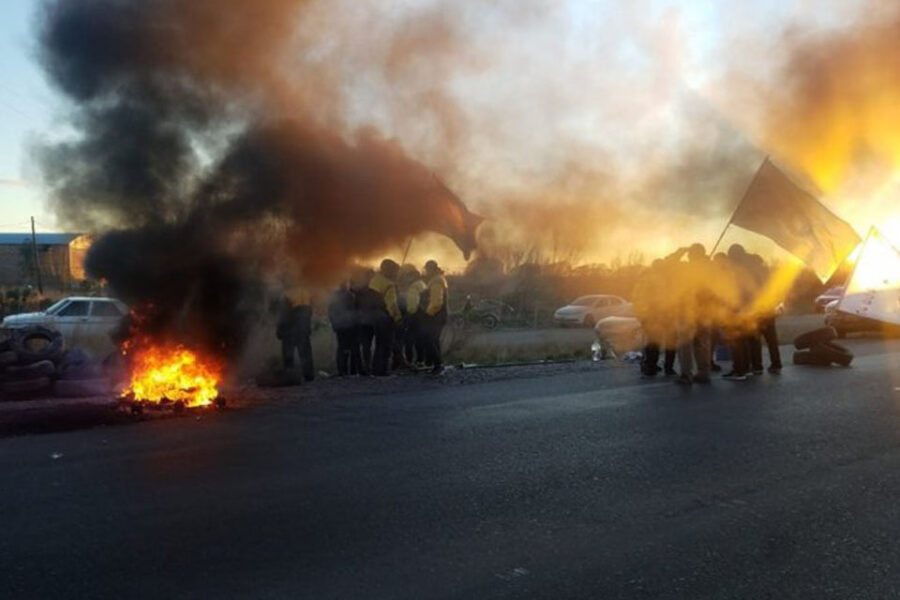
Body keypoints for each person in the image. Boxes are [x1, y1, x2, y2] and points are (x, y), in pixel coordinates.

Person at [674, 244, 713, 385]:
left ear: (691, 255)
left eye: (690, 254)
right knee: (702, 344)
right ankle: (704, 373)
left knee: (685, 344)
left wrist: (679, 253)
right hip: (706, 311)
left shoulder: (688, 269)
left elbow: (669, 267)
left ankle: (686, 374)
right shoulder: (711, 267)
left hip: (688, 311)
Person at [366, 259, 402, 376]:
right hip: (385, 318)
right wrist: (397, 318)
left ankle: (376, 370)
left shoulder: (375, 280)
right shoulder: (389, 285)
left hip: (374, 317)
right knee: (386, 345)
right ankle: (383, 371)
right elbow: (392, 305)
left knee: (379, 344)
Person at [277, 283, 315, 382]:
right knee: (305, 352)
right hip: (303, 328)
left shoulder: (288, 293)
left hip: (290, 328)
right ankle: (309, 375)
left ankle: (290, 376)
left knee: (288, 353)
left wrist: (280, 329)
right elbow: (310, 311)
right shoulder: (306, 291)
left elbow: (283, 314)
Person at [328, 280, 361, 376]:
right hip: (349, 325)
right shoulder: (351, 296)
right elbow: (355, 310)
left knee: (343, 348)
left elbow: (331, 312)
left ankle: (343, 371)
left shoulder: (334, 297)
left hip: (341, 326)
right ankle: (352, 370)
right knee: (352, 348)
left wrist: (334, 324)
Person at [421, 260, 449, 375]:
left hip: (436, 315)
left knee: (430, 339)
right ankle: (435, 364)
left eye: (427, 269)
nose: (426, 272)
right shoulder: (439, 279)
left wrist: (428, 314)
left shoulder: (436, 281)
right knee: (434, 340)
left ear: (431, 269)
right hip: (440, 314)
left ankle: (438, 365)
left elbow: (437, 302)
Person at [402, 267, 428, 366]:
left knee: (408, 340)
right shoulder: (423, 285)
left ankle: (409, 361)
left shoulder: (414, 287)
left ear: (413, 277)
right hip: (424, 315)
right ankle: (421, 360)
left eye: (409, 276)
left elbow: (412, 304)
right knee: (420, 339)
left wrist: (409, 315)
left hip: (415, 316)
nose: (407, 279)